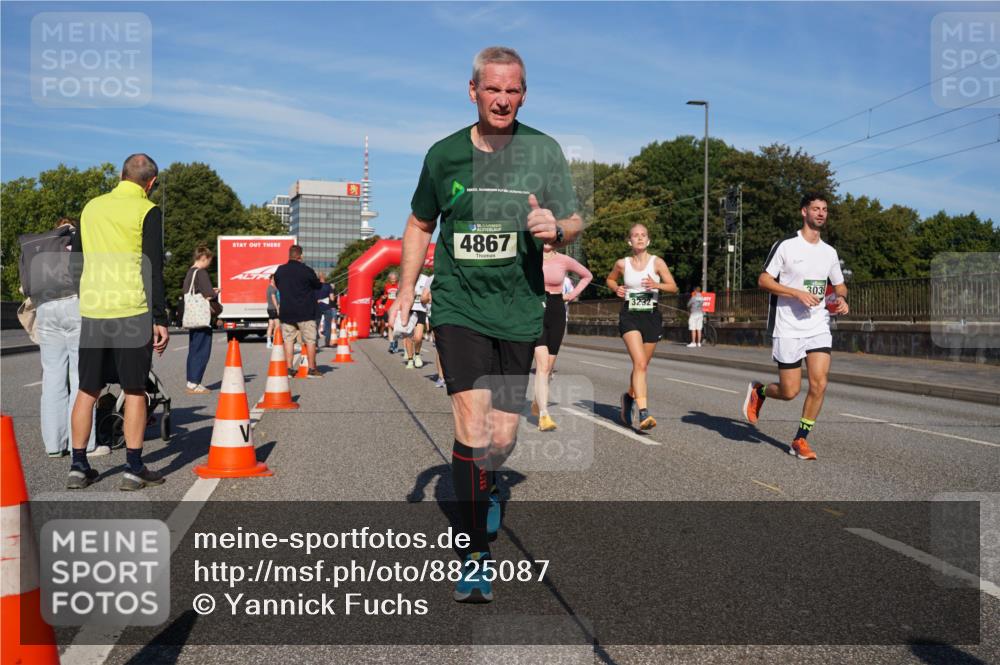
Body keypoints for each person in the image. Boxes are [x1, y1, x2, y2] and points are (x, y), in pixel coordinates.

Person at [390, 46, 582, 603]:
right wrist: (405, 289)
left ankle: (487, 479)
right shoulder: (444, 154)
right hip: (460, 307)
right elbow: (420, 222)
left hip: (520, 308)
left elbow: (572, 217)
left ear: (524, 94)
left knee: (503, 437)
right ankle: (475, 551)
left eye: (513, 90)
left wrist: (557, 229)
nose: (502, 99)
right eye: (492, 89)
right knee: (472, 428)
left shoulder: (541, 150)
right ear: (472, 90)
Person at [68, 153, 169, 491]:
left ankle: (79, 467)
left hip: (95, 309)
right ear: (150, 183)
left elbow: (76, 263)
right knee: (134, 388)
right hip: (131, 308)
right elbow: (153, 266)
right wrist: (160, 316)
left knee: (87, 388)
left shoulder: (91, 208)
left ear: (122, 174)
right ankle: (134, 468)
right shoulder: (147, 211)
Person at [742, 193, 848, 461]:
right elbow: (764, 280)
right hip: (788, 326)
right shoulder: (787, 246)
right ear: (804, 212)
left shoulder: (829, 252)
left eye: (825, 209)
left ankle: (800, 439)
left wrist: (841, 298)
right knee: (790, 391)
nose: (821, 213)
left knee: (819, 383)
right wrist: (795, 293)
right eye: (816, 209)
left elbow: (839, 283)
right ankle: (760, 391)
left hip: (818, 325)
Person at [19, 218, 103, 458]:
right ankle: (84, 444)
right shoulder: (77, 239)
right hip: (74, 304)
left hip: (45, 307)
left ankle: (54, 444)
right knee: (80, 377)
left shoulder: (38, 245)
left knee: (52, 378)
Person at [605, 223, 678, 431]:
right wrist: (616, 287)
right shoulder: (622, 263)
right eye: (635, 235)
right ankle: (644, 412)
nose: (639, 238)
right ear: (629, 241)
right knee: (640, 363)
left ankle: (628, 398)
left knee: (641, 366)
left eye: (643, 235)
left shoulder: (657, 263)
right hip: (630, 315)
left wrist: (657, 285)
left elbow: (673, 287)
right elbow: (610, 279)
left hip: (651, 315)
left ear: (648, 241)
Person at [531, 245, 592, 431]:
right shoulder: (530, 256)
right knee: (541, 365)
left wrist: (571, 295)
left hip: (557, 309)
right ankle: (544, 415)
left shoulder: (564, 260)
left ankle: (537, 402)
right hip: (535, 308)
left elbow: (587, 276)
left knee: (548, 368)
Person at [274, 244, 322, 377]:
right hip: (305, 312)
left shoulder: (280, 270)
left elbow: (277, 284)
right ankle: (312, 369)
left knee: (288, 341)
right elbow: (317, 286)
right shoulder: (307, 270)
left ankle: (289, 369)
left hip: (287, 312)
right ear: (301, 256)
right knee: (310, 340)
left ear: (289, 255)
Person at [182, 246, 219, 394]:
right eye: (208, 260)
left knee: (193, 349)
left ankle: (191, 380)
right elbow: (208, 294)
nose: (209, 264)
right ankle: (195, 382)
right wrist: (215, 292)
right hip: (202, 318)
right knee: (202, 350)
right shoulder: (201, 273)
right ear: (203, 258)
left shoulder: (189, 273)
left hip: (192, 318)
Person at [419, 276, 447, 388]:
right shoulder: (432, 278)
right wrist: (429, 297)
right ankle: (441, 377)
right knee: (441, 346)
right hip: (438, 315)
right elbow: (423, 298)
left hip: (459, 315)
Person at [404, 272, 432, 368]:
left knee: (418, 337)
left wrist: (426, 298)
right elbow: (398, 294)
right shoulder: (406, 277)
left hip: (421, 310)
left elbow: (429, 295)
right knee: (409, 336)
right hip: (409, 310)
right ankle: (410, 360)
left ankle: (417, 354)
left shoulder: (426, 279)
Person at [314, 272, 334, 348]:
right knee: (328, 326)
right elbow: (332, 298)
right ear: (325, 277)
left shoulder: (315, 286)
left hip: (317, 307)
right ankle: (327, 343)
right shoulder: (328, 286)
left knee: (316, 326)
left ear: (318, 277)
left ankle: (315, 343)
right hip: (327, 307)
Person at [384, 272, 401, 353]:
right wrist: (384, 297)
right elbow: (385, 295)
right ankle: (391, 344)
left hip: (397, 307)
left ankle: (396, 342)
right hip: (388, 307)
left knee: (396, 327)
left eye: (394, 279)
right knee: (390, 326)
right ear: (389, 279)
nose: (393, 281)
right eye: (391, 279)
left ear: (396, 279)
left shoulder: (399, 285)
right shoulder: (386, 286)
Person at [266, 274, 280, 349]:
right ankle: (275, 341)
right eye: (274, 279)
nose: (275, 280)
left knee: (271, 325)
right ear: (271, 280)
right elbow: (273, 298)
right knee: (277, 326)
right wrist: (277, 308)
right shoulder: (273, 289)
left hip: (269, 308)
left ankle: (268, 342)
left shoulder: (269, 288)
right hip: (274, 309)